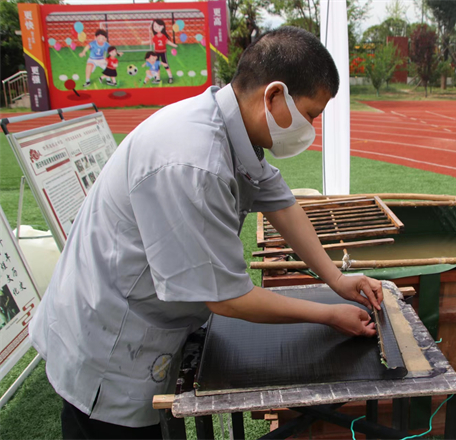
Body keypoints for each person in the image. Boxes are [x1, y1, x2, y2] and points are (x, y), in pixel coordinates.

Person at [30, 26, 383, 439]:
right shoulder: (192, 161)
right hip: (108, 342)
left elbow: (282, 204)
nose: (310, 128)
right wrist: (328, 315)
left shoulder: (233, 128)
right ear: (273, 96)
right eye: (309, 114)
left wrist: (338, 280)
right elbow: (227, 298)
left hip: (147, 322)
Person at [142, 19, 178, 84]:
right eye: (155, 27)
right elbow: (151, 41)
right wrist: (144, 42)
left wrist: (174, 45)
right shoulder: (155, 37)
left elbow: (167, 42)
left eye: (158, 27)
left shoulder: (163, 36)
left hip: (163, 53)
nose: (156, 28)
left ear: (162, 27)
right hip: (156, 53)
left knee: (165, 65)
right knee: (156, 66)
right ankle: (158, 79)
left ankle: (170, 77)